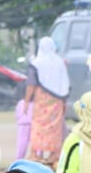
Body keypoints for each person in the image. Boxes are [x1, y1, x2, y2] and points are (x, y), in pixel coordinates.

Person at [24, 36, 69, 165]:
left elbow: (31, 84)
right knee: (55, 126)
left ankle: (35, 153)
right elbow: (64, 82)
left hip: (42, 99)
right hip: (57, 100)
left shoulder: (36, 63)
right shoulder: (60, 62)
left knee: (38, 125)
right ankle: (54, 155)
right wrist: (64, 101)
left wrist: (27, 102)